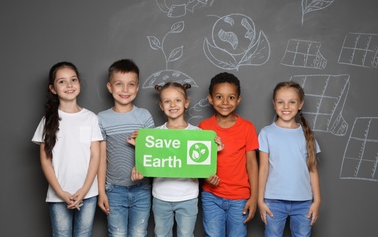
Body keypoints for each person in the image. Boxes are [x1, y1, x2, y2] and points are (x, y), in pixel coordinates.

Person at [129, 81, 223, 237]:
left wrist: (214, 149)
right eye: (167, 101)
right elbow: (149, 162)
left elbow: (201, 166)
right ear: (161, 105)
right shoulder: (154, 135)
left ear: (186, 103)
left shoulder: (198, 134)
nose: (172, 104)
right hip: (160, 196)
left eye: (177, 100)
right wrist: (140, 147)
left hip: (188, 197)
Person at [32, 62, 102, 237]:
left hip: (88, 193)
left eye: (73, 79)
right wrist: (61, 193)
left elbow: (95, 156)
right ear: (53, 88)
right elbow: (45, 161)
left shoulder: (90, 118)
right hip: (58, 194)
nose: (69, 85)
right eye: (62, 81)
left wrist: (84, 190)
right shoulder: (47, 120)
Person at [97, 59, 155, 237]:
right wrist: (101, 192)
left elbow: (154, 154)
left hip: (142, 189)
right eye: (119, 84)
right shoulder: (101, 118)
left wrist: (142, 145)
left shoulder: (144, 116)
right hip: (114, 190)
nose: (125, 90)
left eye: (131, 85)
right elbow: (101, 158)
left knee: (139, 233)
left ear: (137, 88)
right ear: (109, 87)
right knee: (117, 234)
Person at [198, 72, 259, 237]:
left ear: (239, 99)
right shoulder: (203, 127)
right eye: (219, 97)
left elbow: (252, 164)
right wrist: (205, 176)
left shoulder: (247, 128)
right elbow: (197, 161)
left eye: (231, 97)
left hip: (240, 198)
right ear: (210, 98)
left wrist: (254, 197)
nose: (225, 102)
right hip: (211, 196)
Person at [258, 81, 321, 237]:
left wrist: (317, 201)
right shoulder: (266, 133)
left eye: (292, 102)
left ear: (300, 104)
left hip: (303, 202)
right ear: (274, 104)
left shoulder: (307, 135)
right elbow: (263, 168)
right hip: (273, 201)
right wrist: (260, 200)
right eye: (281, 102)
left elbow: (312, 169)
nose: (286, 106)